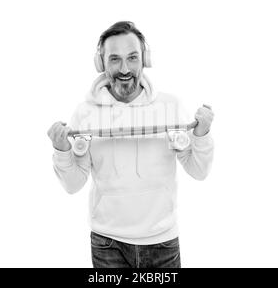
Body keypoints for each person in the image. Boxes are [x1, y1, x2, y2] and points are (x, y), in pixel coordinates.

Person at [47, 21, 214, 268]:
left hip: (163, 242)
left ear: (144, 60)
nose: (124, 68)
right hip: (107, 244)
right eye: (114, 59)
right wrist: (62, 152)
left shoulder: (170, 106)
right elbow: (73, 185)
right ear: (101, 63)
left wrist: (202, 134)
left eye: (132, 57)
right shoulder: (85, 114)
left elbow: (199, 171)